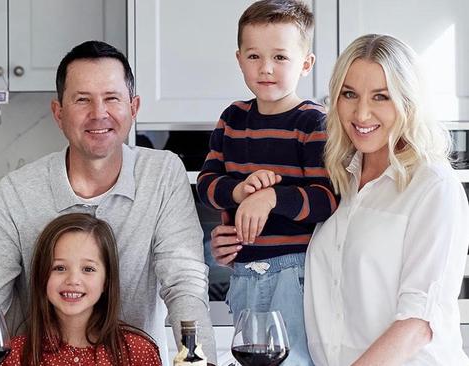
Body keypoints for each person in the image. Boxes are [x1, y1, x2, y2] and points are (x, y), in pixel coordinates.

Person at [0, 40, 217, 365]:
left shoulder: (162, 175)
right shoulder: (17, 192)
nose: (99, 114)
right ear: (59, 112)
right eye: (82, 100)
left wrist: (200, 360)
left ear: (133, 108)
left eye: (112, 98)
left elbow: (185, 285)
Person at [304, 34, 469, 365]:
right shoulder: (339, 180)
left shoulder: (433, 187)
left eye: (381, 96)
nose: (362, 113)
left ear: (408, 102)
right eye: (349, 94)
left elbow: (418, 323)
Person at [197, 1, 337, 365]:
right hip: (243, 272)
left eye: (280, 57)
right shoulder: (232, 119)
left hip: (295, 273)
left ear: (306, 64)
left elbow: (326, 199)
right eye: (255, 56)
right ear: (239, 59)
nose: (266, 68)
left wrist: (271, 198)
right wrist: (241, 191)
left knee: (293, 361)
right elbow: (207, 183)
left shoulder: (312, 123)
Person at [1, 213, 162, 365]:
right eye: (59, 267)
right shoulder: (16, 355)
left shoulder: (138, 352)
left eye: (88, 269)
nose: (73, 280)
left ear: (106, 280)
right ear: (41, 275)